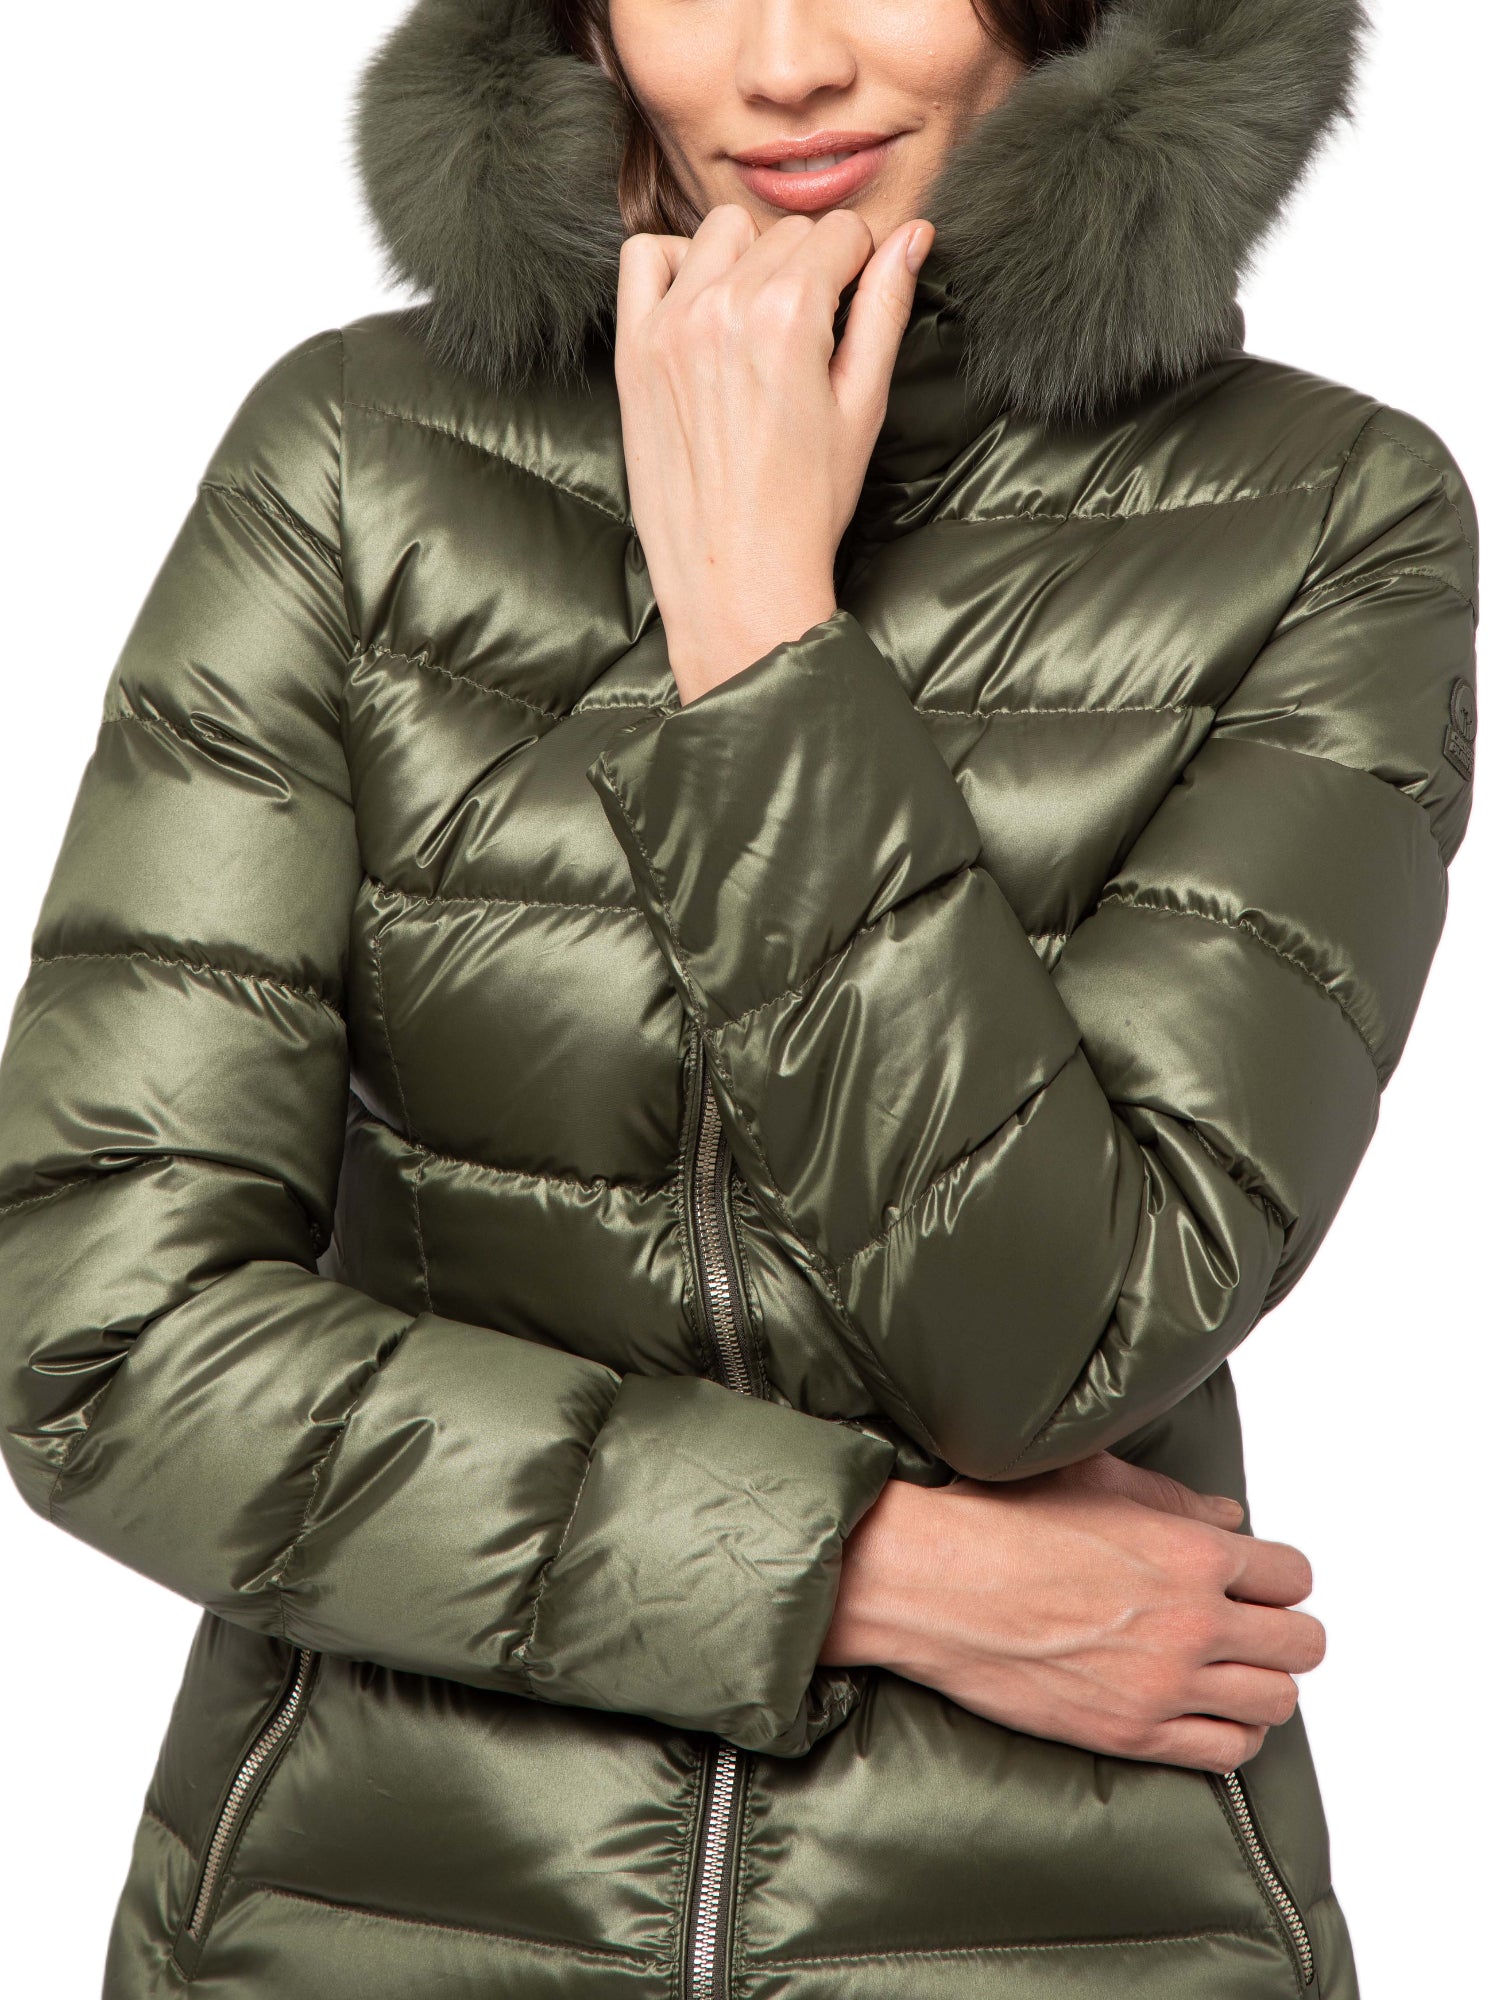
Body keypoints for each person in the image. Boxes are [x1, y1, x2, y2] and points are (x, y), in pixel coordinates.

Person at [0, 0, 1478, 1995]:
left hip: (1063, 1943)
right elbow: (104, 1339)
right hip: (349, 1927)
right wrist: (860, 1568)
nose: (780, 67)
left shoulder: (1329, 516)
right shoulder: (359, 461)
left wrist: (760, 635)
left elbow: (1056, 1345)